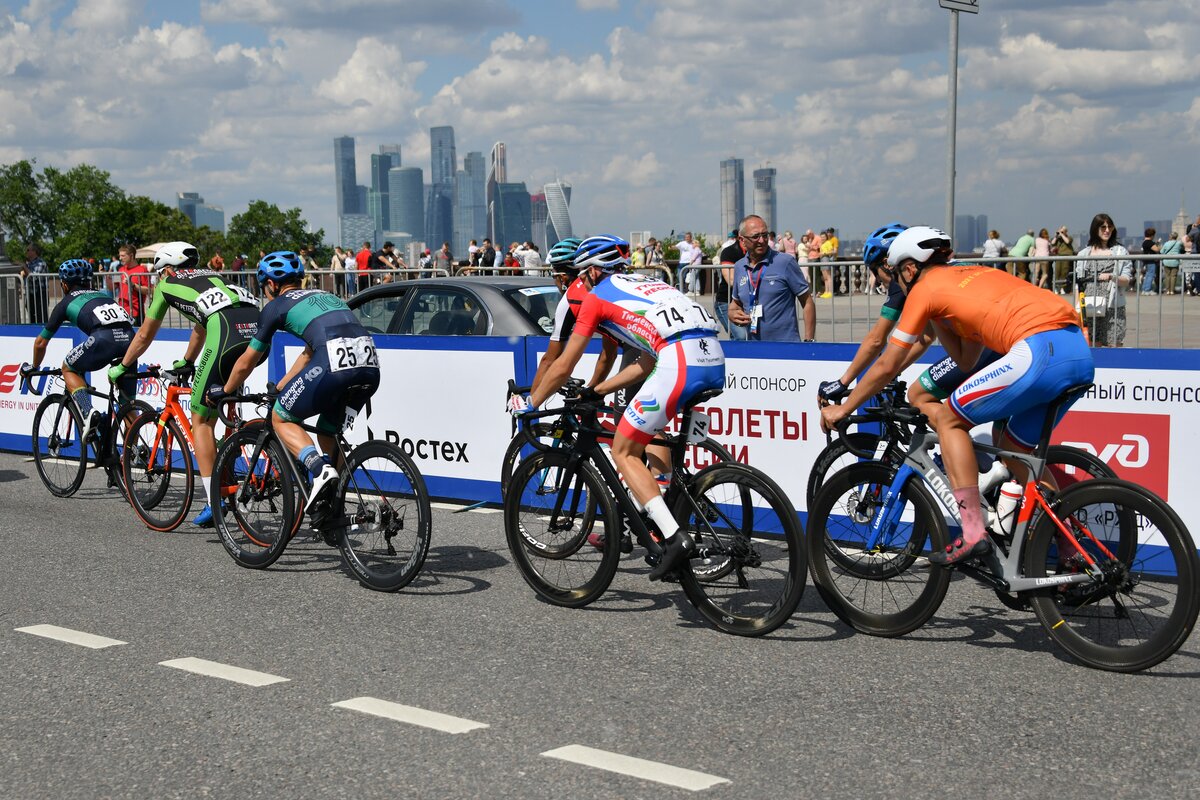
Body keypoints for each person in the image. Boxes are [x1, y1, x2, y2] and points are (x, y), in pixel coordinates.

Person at [821, 225, 1094, 565]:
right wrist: (937, 319)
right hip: (1077, 354)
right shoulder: (973, 273)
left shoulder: (923, 289)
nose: (896, 284)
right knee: (1013, 453)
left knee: (950, 419)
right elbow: (967, 358)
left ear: (909, 268)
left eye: (897, 274)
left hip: (1038, 352)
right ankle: (1073, 545)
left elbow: (888, 363)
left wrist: (845, 407)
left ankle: (972, 531)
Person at [525, 235, 725, 580]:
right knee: (656, 441)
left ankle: (675, 538)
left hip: (679, 362)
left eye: (580, 274)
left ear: (590, 272)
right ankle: (665, 506)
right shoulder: (648, 282)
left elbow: (562, 366)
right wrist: (598, 391)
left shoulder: (596, 297)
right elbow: (645, 362)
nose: (578, 281)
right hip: (713, 358)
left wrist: (530, 405)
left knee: (625, 450)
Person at [209, 251, 380, 531]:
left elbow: (247, 361)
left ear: (272, 285)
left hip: (332, 362)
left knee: (281, 417)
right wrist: (281, 387)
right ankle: (332, 508)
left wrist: (225, 389)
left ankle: (319, 470)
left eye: (264, 286)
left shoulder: (276, 306)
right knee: (328, 430)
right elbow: (307, 354)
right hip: (369, 365)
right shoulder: (328, 297)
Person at [107, 242, 260, 526]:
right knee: (222, 402)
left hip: (225, 333)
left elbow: (143, 336)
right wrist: (188, 360)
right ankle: (230, 454)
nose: (158, 278)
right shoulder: (212, 277)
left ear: (167, 269)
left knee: (200, 420)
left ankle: (214, 501)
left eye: (159, 273)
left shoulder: (168, 284)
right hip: (255, 331)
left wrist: (124, 365)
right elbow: (201, 326)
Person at [21, 259, 137, 442]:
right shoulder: (104, 296)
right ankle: (134, 456)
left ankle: (88, 411)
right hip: (131, 341)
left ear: (64, 284)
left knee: (68, 368)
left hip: (103, 339)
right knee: (128, 407)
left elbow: (40, 343)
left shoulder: (66, 303)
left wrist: (33, 366)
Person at [728, 214, 816, 342]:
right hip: (754, 348)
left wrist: (809, 341)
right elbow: (735, 304)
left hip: (785, 347)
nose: (762, 240)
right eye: (755, 236)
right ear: (742, 240)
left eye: (765, 235)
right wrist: (731, 313)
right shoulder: (739, 267)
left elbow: (807, 301)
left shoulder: (785, 262)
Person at [1074, 213, 1133, 347]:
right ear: (1095, 229)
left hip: (1113, 306)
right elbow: (1079, 283)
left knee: (1115, 345)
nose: (1107, 230)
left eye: (1110, 227)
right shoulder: (1084, 254)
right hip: (1090, 306)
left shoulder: (1120, 252)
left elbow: (1126, 279)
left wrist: (1112, 277)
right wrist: (1078, 307)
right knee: (1093, 345)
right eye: (1103, 227)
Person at [714, 230, 746, 340]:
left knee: (753, 338)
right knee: (741, 336)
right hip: (725, 302)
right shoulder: (730, 252)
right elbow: (730, 280)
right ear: (741, 237)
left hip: (747, 304)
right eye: (754, 236)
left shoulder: (758, 253)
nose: (759, 240)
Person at [112, 243, 151, 324]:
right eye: (120, 256)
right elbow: (112, 287)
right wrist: (105, 275)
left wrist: (133, 285)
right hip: (121, 311)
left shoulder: (142, 270)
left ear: (131, 255)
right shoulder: (121, 269)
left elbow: (148, 290)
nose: (120, 258)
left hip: (135, 311)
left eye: (123, 256)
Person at [20, 245, 49, 325]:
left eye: (28, 250)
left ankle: (44, 334)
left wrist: (24, 267)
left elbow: (34, 277)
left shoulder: (41, 263)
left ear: (34, 251)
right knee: (32, 315)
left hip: (40, 293)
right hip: (30, 293)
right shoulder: (29, 264)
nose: (26, 252)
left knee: (41, 316)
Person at [1051, 226, 1075, 294]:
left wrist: (1062, 234)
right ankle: (1057, 287)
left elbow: (1067, 242)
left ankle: (1062, 288)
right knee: (1057, 272)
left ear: (1065, 232)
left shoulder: (1069, 237)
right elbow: (1052, 243)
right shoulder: (1058, 239)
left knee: (1064, 273)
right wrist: (1056, 236)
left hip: (1066, 256)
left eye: (1062, 231)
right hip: (1059, 256)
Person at [1160, 231, 1183, 295]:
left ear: (1170, 237)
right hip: (1175, 261)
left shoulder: (1166, 243)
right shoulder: (1179, 243)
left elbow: (1161, 252)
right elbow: (1182, 249)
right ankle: (1172, 290)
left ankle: (1168, 290)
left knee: (1167, 276)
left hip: (1166, 261)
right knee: (1173, 276)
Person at [1139, 228, 1161, 295]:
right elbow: (1157, 249)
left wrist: (1156, 243)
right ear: (1152, 235)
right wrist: (1159, 244)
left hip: (1147, 260)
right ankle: (1148, 290)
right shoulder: (1149, 242)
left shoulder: (1144, 242)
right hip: (1151, 261)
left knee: (1148, 275)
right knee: (1151, 275)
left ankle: (1144, 289)